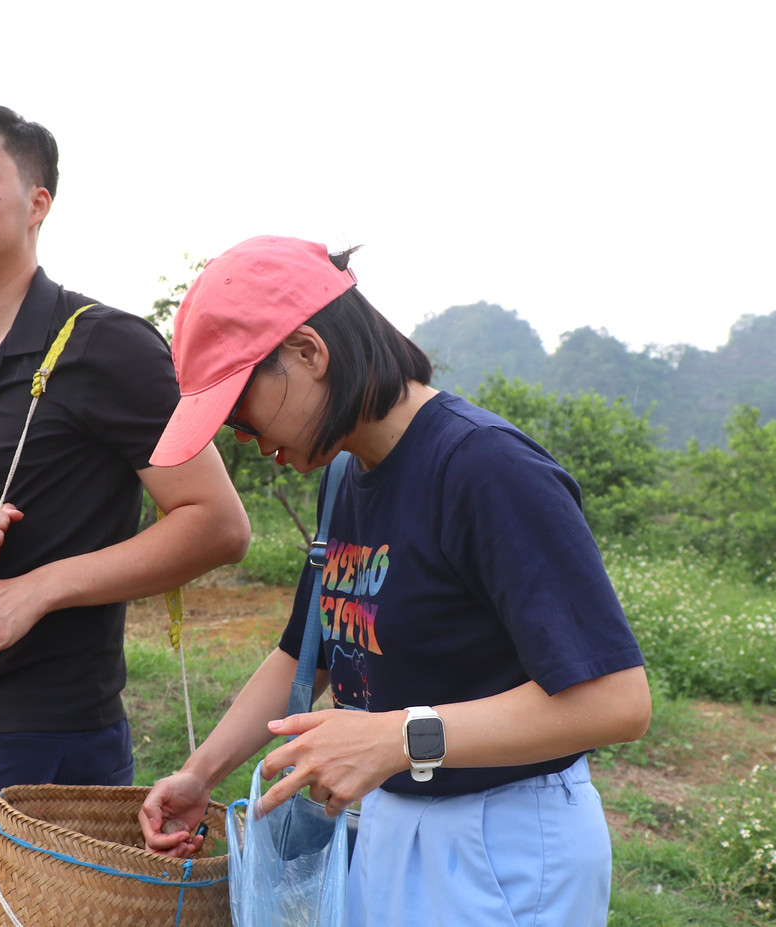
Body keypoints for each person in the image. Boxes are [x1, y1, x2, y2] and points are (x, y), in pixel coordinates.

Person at [138, 235, 651, 926]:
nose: (243, 436)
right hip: (391, 816)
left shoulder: (485, 469)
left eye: (238, 408)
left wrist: (394, 739)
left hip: (498, 842)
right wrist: (199, 773)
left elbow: (616, 701)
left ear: (308, 352)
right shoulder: (345, 474)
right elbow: (305, 652)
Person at [0, 101, 250, 927]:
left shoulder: (101, 344)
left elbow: (217, 522)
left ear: (37, 202)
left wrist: (35, 588)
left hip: (54, 741)